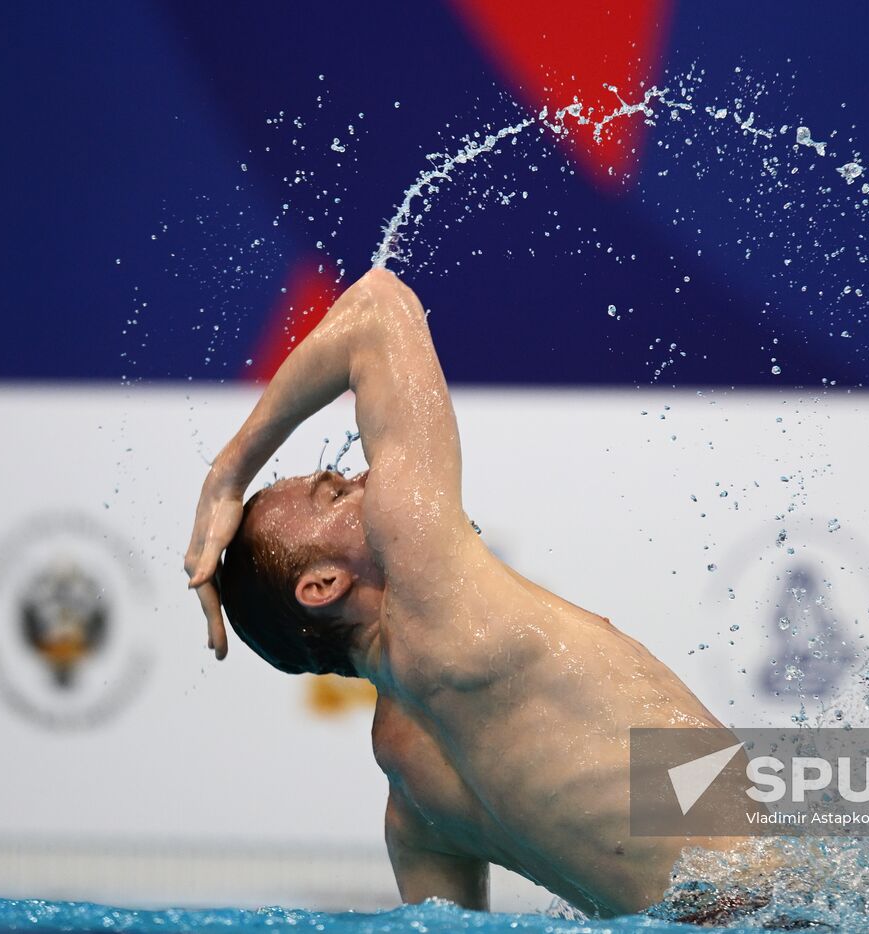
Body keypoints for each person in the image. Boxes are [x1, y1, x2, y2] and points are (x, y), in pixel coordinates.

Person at [184, 268, 750, 919]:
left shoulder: (413, 805)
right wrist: (227, 476)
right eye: (337, 494)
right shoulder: (438, 607)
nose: (368, 476)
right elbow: (378, 305)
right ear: (323, 586)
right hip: (795, 914)